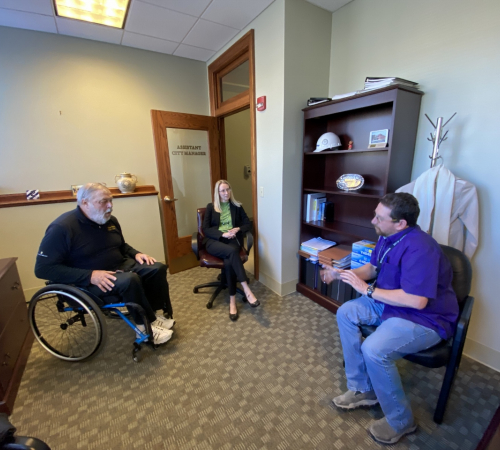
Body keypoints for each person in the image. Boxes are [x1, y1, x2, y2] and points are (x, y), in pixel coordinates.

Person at [320, 193, 458, 445]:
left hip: (424, 318)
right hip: (390, 303)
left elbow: (418, 301)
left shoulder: (421, 248)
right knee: (346, 312)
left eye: (379, 217)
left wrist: (368, 290)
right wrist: (341, 274)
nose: (373, 219)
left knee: (373, 349)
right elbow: (373, 269)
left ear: (401, 223)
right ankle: (363, 388)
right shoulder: (387, 236)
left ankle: (401, 421)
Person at [35, 182, 174, 345]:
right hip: (87, 280)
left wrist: (137, 254)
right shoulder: (62, 228)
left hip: (118, 265)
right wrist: (90, 275)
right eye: (103, 201)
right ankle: (143, 328)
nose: (110, 206)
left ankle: (151, 315)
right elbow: (43, 269)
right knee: (129, 280)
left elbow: (121, 245)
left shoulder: (109, 220)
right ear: (85, 203)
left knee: (156, 268)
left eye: (111, 200)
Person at [203, 179, 259, 321]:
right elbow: (206, 229)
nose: (226, 193)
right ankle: (246, 289)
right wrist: (223, 234)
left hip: (233, 240)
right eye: (222, 190)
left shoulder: (237, 206)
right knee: (232, 253)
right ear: (218, 192)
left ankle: (232, 301)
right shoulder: (211, 207)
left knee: (229, 262)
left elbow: (248, 224)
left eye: (228, 189)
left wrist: (238, 228)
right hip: (215, 241)